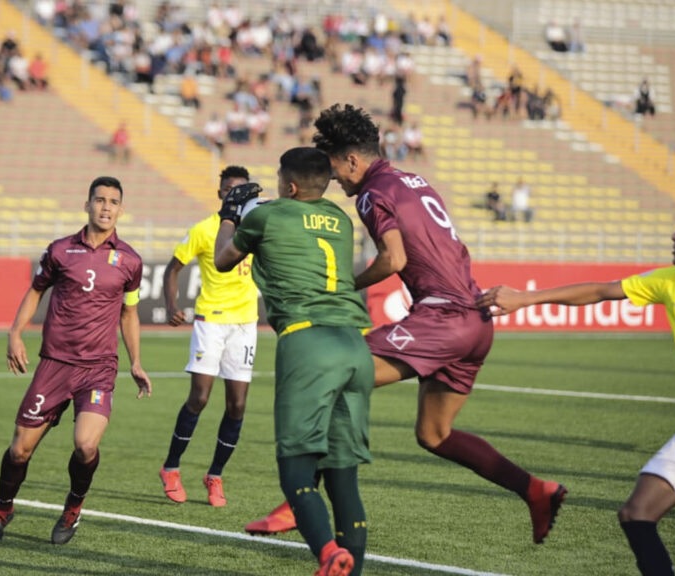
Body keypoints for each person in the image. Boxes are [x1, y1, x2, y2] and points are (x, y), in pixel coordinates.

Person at [245, 104, 566, 546]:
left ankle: (297, 504)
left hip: (443, 317)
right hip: (476, 319)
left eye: (336, 168)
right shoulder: (413, 180)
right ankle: (535, 490)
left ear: (353, 160)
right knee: (434, 434)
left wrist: (343, 286)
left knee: (337, 375)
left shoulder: (371, 193)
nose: (334, 179)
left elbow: (394, 259)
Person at [477, 204, 675, 573]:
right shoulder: (670, 281)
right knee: (636, 515)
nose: (674, 236)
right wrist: (527, 298)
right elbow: (602, 291)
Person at [215, 148, 374, 576]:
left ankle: (326, 552)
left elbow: (224, 259)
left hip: (308, 343)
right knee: (343, 479)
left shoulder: (268, 216)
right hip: (356, 346)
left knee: (297, 472)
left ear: (287, 185)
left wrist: (230, 214)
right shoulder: (341, 221)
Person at [0, 176, 152, 546]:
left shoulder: (130, 261)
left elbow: (129, 314)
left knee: (86, 445)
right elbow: (36, 290)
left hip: (98, 368)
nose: (106, 207)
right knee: (20, 449)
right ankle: (4, 507)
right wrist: (15, 333)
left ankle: (73, 507)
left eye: (113, 202)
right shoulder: (59, 250)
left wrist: (136, 361)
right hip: (54, 365)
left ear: (122, 210)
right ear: (87, 205)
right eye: (100, 200)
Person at [159, 166, 259, 507]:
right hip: (211, 320)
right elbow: (173, 268)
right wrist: (172, 305)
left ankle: (214, 476)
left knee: (238, 404)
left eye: (243, 191)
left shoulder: (258, 228)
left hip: (246, 324)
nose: (237, 196)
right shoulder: (205, 230)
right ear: (220, 194)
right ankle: (171, 467)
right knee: (200, 397)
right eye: (231, 190)